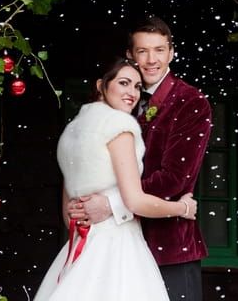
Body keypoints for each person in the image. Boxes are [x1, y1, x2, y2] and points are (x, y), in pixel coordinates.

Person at [68, 16, 212, 301]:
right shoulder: (118, 102)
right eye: (143, 51)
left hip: (168, 249)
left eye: (159, 50)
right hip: (112, 246)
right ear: (130, 55)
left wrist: (111, 204)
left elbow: (174, 180)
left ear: (171, 53)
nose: (151, 60)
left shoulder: (191, 102)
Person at [33, 57, 198, 301]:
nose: (132, 92)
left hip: (81, 244)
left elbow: (69, 214)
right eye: (123, 83)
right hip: (118, 246)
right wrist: (182, 208)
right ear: (101, 85)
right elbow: (135, 202)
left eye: (137, 86)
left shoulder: (72, 130)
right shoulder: (119, 125)